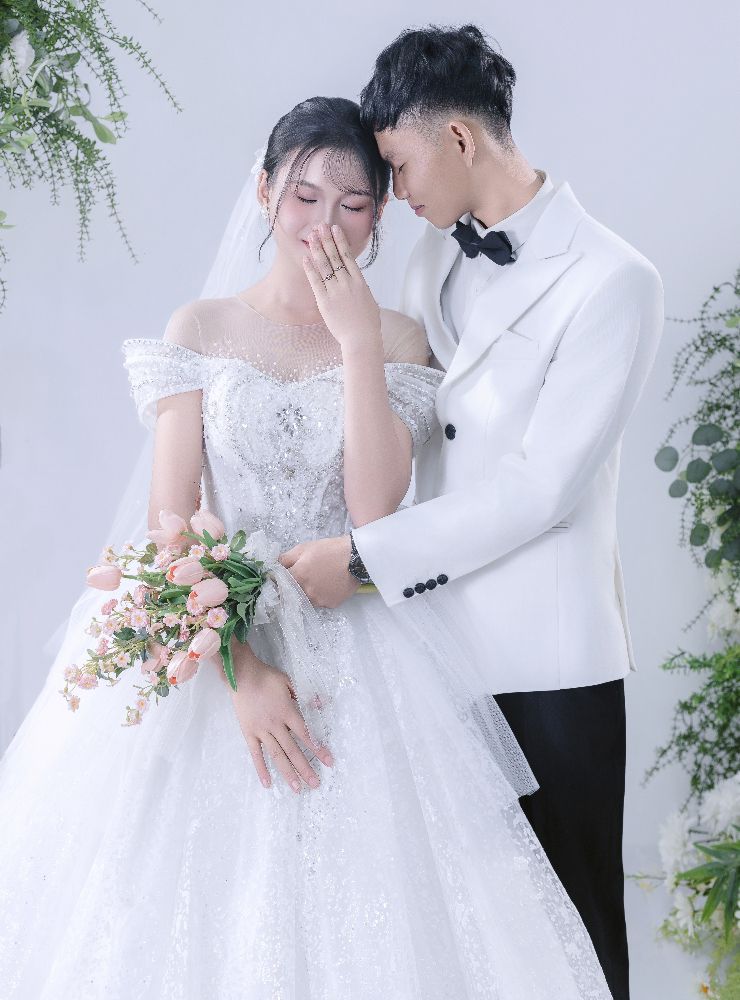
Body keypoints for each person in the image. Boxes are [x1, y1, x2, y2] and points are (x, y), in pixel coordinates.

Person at [0, 95, 614, 999]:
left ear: (380, 215)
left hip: (358, 642)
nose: (326, 224)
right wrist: (240, 670)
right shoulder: (200, 329)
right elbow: (170, 522)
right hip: (213, 643)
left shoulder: (398, 339)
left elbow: (374, 509)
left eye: (354, 204)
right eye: (304, 197)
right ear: (264, 193)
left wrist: (358, 343)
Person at [284, 27, 665, 1000]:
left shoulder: (613, 280)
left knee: (575, 938)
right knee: (472, 942)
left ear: (458, 138)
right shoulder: (429, 261)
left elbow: (539, 490)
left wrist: (362, 557)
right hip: (435, 657)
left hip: (550, 663)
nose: (394, 190)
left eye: (399, 164)